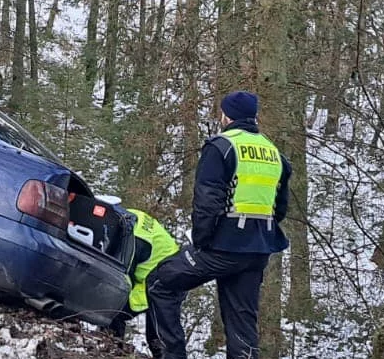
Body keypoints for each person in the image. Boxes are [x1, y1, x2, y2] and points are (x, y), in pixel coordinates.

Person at [145, 91, 292, 359]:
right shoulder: (275, 154)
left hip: (222, 247)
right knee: (242, 321)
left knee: (159, 283)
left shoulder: (221, 147)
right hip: (259, 250)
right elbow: (279, 208)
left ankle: (171, 355)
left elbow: (207, 202)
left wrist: (202, 240)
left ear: (226, 115)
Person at [110, 207, 179, 359]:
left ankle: (112, 348)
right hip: (169, 268)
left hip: (163, 280)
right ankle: (112, 347)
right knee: (159, 333)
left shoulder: (132, 242)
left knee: (114, 308)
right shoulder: (129, 216)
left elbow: (121, 278)